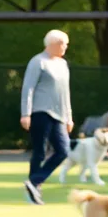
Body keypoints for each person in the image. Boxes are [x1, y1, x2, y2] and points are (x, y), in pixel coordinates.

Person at [20, 29, 73, 205]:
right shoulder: (37, 62)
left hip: (59, 115)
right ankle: (34, 193)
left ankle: (34, 181)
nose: (66, 47)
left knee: (63, 150)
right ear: (54, 44)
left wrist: (69, 117)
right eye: (64, 43)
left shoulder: (63, 64)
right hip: (40, 112)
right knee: (39, 151)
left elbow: (65, 93)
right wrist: (26, 113)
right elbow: (28, 88)